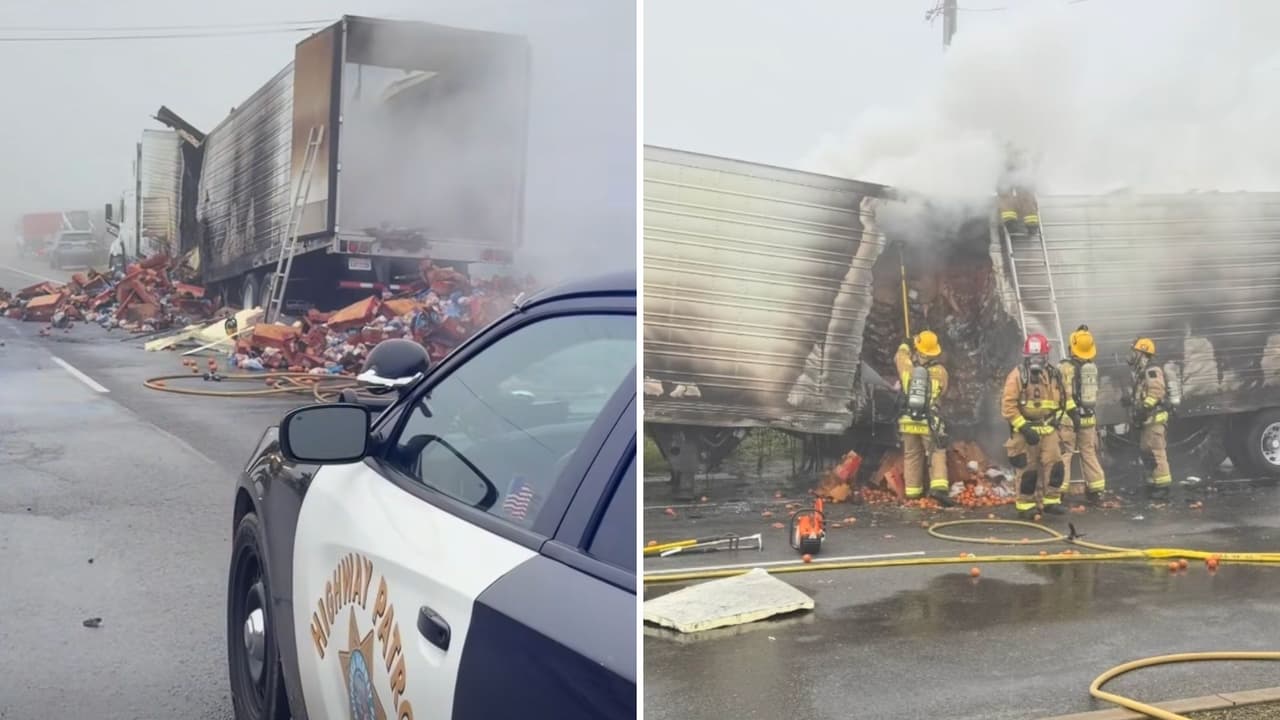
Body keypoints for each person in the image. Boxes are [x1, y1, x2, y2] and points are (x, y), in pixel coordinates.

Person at [1001, 333, 1068, 518]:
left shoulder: (1054, 374)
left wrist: (1058, 419)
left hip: (1048, 428)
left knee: (1055, 466)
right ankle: (1025, 506)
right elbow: (1008, 407)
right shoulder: (1017, 376)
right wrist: (1023, 427)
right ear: (1026, 357)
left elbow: (1063, 398)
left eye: (1041, 357)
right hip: (1026, 432)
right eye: (1033, 357)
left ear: (1047, 356)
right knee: (1028, 469)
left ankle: (1051, 502)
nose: (1037, 361)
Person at [895, 330, 951, 505]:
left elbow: (899, 357)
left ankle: (913, 493)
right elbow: (944, 391)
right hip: (928, 421)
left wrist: (906, 344)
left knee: (912, 455)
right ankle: (939, 488)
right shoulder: (940, 372)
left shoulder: (907, 369)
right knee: (936, 452)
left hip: (908, 421)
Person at [1060, 325, 1106, 504]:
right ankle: (1096, 491)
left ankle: (1059, 492)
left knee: (1065, 454)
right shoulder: (1091, 367)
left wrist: (1072, 413)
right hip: (1089, 418)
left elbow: (1065, 393)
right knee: (1088, 452)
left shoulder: (1065, 367)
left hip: (1069, 419)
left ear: (1072, 347)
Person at [1124, 337, 1172, 498]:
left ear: (1143, 353)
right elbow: (1142, 393)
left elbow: (1157, 392)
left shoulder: (1152, 370)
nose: (1132, 355)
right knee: (1147, 451)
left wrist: (1145, 407)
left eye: (1135, 352)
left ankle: (1163, 487)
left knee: (1156, 452)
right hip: (1147, 420)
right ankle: (1153, 482)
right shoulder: (1140, 372)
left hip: (1154, 419)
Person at [996, 145, 1041, 238]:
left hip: (1016, 167)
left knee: (1013, 194)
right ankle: (1028, 224)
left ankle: (1014, 222)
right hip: (1017, 167)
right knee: (1022, 193)